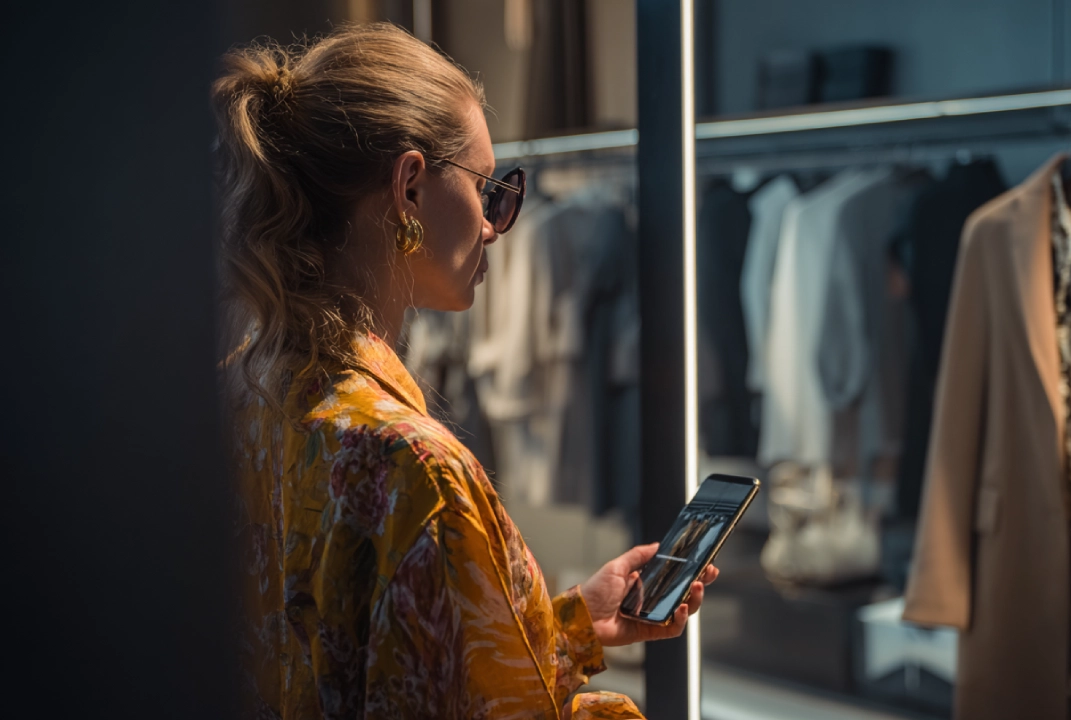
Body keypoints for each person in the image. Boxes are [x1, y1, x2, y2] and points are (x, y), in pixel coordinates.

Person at [212, 22, 715, 719]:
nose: (493, 224)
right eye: (490, 190)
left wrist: (571, 630)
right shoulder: (418, 467)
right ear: (410, 188)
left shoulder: (248, 390)